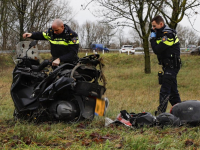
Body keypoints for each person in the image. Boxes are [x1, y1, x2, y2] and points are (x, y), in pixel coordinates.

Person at [149, 15, 181, 115]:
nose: (153, 29)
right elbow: (157, 49)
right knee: (172, 92)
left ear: (161, 24)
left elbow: (157, 49)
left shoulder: (168, 34)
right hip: (167, 66)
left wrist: (152, 40)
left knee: (165, 89)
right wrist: (154, 39)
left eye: (154, 26)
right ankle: (181, 112)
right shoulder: (160, 34)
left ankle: (161, 113)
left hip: (172, 65)